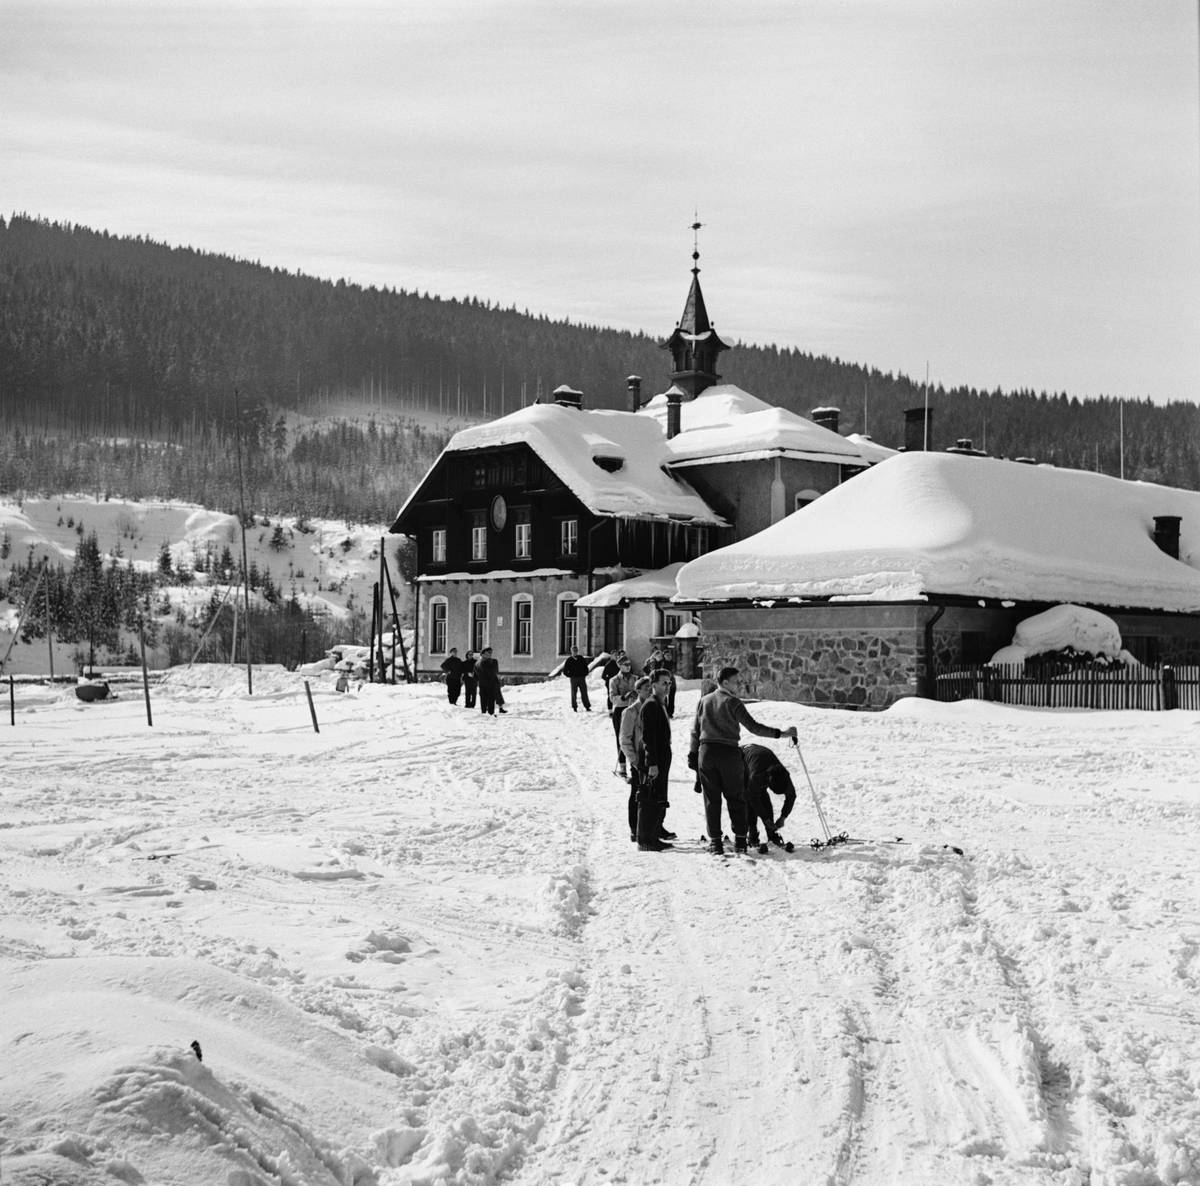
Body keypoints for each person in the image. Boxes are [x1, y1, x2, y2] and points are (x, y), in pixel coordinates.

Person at [688, 666, 797, 855]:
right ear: (724, 682)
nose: (740, 684)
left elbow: (695, 732)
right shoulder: (733, 702)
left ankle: (715, 842)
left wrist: (692, 754)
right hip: (729, 753)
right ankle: (740, 839)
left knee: (711, 799)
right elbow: (754, 727)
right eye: (736, 681)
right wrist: (782, 734)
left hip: (706, 753)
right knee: (736, 797)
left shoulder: (704, 701)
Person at [636, 668, 675, 850]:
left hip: (661, 757)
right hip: (654, 759)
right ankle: (645, 840)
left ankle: (653, 834)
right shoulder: (650, 705)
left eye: (669, 683)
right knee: (649, 797)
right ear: (653, 685)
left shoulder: (661, 703)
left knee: (658, 796)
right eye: (663, 683)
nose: (667, 686)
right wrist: (652, 763)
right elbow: (648, 738)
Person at [742, 742, 797, 853]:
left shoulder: (783, 774)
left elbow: (791, 795)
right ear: (769, 782)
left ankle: (771, 833)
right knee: (749, 798)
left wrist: (783, 817)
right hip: (742, 758)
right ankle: (752, 833)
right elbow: (753, 798)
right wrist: (766, 819)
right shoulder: (757, 776)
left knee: (762, 796)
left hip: (761, 756)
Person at [620, 676, 652, 841]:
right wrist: (634, 760)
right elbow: (625, 740)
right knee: (637, 793)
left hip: (652, 758)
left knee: (652, 794)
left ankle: (653, 826)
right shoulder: (631, 712)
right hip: (639, 760)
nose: (649, 691)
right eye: (646, 688)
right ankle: (634, 827)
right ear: (638, 690)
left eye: (651, 688)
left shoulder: (654, 708)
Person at [607, 655, 638, 779]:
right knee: (621, 738)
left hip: (633, 709)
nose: (628, 667)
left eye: (629, 664)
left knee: (634, 737)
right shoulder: (614, 680)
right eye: (625, 665)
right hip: (620, 710)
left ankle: (634, 765)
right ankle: (622, 767)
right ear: (619, 666)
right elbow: (612, 698)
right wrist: (624, 697)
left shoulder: (635, 678)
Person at [560, 644, 592, 712]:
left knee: (584, 692)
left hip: (581, 678)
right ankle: (574, 707)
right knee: (574, 693)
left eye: (576, 651)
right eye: (573, 651)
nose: (575, 652)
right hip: (573, 679)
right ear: (571, 651)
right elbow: (565, 671)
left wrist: (585, 674)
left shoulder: (581, 658)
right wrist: (570, 675)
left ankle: (587, 706)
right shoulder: (569, 660)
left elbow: (586, 668)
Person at [477, 646, 506, 715]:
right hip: (487, 683)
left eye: (490, 652)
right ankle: (488, 711)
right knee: (487, 697)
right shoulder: (479, 663)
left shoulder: (493, 661)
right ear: (483, 654)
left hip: (493, 681)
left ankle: (500, 708)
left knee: (497, 695)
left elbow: (495, 671)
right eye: (488, 652)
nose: (490, 654)